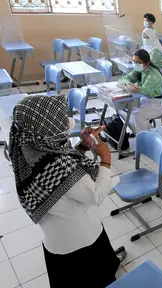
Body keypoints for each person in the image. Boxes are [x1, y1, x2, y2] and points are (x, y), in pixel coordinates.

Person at [8, 95, 126, 288]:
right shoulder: (59, 166)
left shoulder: (29, 148)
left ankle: (111, 263)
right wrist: (105, 159)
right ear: (46, 125)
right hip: (81, 243)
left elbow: (63, 173)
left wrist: (83, 145)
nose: (65, 120)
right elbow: (95, 195)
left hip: (57, 241)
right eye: (60, 117)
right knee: (99, 279)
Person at [119, 49, 162, 134]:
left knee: (137, 116)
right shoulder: (139, 70)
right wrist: (127, 83)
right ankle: (141, 131)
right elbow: (123, 79)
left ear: (146, 63)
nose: (135, 64)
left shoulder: (153, 75)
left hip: (155, 104)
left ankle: (148, 136)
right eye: (134, 61)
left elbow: (141, 90)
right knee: (122, 109)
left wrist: (127, 86)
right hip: (143, 100)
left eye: (138, 62)